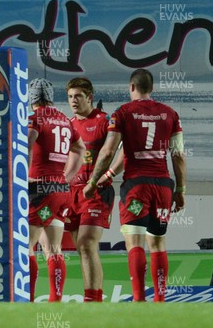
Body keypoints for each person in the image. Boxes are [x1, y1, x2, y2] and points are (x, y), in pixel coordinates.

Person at [84, 69, 186, 302]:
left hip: (136, 185)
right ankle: (160, 300)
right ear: (151, 88)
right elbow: (178, 155)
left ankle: (139, 300)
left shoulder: (123, 113)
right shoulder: (170, 114)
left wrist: (92, 181)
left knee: (134, 241)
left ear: (131, 87)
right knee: (158, 242)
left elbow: (110, 150)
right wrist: (180, 190)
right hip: (163, 186)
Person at [27, 78, 85, 302]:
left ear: (31, 98)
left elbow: (28, 144)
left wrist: (24, 177)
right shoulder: (64, 120)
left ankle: (28, 300)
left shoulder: (35, 119)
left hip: (41, 189)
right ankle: (56, 300)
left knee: (26, 247)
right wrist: (67, 177)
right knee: (53, 248)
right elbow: (80, 148)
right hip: (61, 190)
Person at [65, 77, 121, 302]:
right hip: (72, 193)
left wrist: (107, 176)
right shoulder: (68, 125)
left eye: (78, 96)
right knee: (83, 249)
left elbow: (124, 152)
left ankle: (92, 300)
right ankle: (93, 295)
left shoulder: (104, 121)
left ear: (89, 97)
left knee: (86, 244)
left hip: (96, 192)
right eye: (70, 97)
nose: (73, 101)